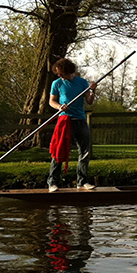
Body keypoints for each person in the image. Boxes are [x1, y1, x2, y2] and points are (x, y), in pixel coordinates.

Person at [47, 58, 97, 192]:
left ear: (68, 71)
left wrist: (92, 91)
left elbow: (89, 101)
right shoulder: (56, 83)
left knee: (85, 152)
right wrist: (59, 107)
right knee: (59, 151)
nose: (59, 75)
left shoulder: (82, 82)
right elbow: (51, 101)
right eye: (58, 73)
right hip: (65, 120)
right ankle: (53, 183)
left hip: (80, 120)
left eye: (61, 73)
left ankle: (82, 182)